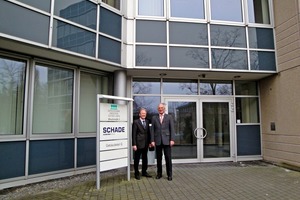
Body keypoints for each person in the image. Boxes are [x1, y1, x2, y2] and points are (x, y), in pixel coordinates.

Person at [151, 103, 175, 181]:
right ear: (158, 109)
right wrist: (152, 140)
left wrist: (172, 139)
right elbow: (152, 130)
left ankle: (169, 174)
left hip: (167, 141)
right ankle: (159, 173)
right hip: (157, 141)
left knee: (168, 158)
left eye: (162, 107)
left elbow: (172, 129)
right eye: (159, 108)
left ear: (164, 109)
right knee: (158, 158)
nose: (160, 109)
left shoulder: (169, 117)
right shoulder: (154, 118)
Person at [132, 108, 152, 180]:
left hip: (146, 143)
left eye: (145, 113)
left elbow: (149, 133)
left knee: (145, 158)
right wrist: (134, 144)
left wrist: (150, 142)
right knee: (137, 159)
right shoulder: (136, 122)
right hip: (138, 144)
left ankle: (144, 172)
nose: (144, 114)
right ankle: (136, 173)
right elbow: (133, 134)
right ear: (139, 114)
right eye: (142, 113)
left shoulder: (147, 121)